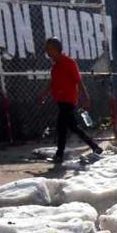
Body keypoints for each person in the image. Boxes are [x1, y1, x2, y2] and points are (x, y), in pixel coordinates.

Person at [39, 37, 101, 166]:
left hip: (68, 100)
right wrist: (44, 94)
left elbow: (78, 81)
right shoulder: (56, 66)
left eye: (49, 49)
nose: (47, 51)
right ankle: (95, 147)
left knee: (62, 127)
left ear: (56, 49)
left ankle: (59, 155)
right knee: (73, 127)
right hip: (61, 100)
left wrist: (86, 97)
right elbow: (52, 82)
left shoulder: (68, 62)